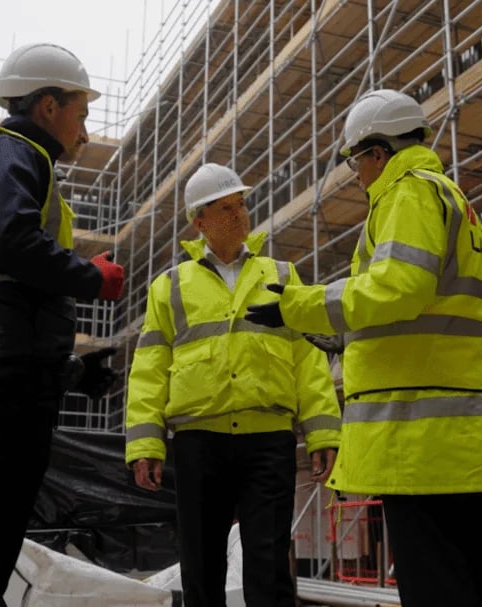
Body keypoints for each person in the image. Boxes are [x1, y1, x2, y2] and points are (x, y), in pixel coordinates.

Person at [245, 89, 482, 607]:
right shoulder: (452, 199)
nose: (356, 174)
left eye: (356, 160)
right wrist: (342, 334)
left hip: (417, 434)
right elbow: (426, 308)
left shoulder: (407, 193)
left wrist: (298, 306)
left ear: (378, 152)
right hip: (458, 430)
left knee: (436, 581)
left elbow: (400, 287)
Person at [0, 43, 125, 607]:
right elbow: (12, 244)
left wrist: (69, 373)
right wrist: (91, 276)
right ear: (49, 106)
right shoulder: (7, 152)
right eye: (81, 115)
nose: (84, 133)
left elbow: (16, 305)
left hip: (6, 371)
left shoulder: (21, 162)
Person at [125, 162, 341, 607]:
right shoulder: (170, 286)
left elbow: (307, 359)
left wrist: (322, 431)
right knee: (201, 563)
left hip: (268, 439)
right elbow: (149, 365)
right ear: (198, 221)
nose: (239, 215)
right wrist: (145, 443)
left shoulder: (281, 275)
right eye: (225, 208)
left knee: (268, 560)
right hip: (198, 440)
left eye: (241, 205)